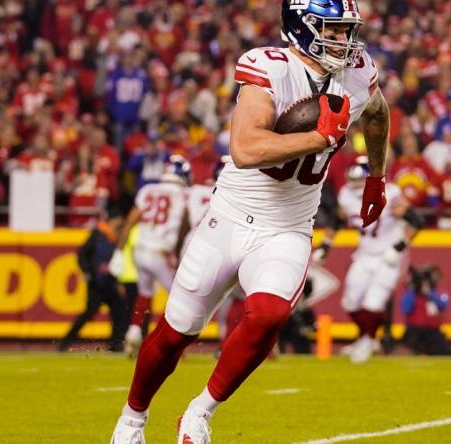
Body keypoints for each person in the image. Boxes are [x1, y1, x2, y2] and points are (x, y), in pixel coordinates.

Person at [110, 1, 390, 442]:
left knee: (270, 313)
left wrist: (377, 175)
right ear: (303, 27)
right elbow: (245, 147)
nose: (345, 41)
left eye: (347, 30)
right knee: (175, 332)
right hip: (231, 217)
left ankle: (200, 412)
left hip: (289, 226)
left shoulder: (358, 70)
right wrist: (318, 138)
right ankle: (131, 420)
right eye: (333, 30)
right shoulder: (270, 67)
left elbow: (376, 114)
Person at [313, 156, 422, 363]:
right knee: (350, 301)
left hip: (387, 255)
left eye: (360, 179)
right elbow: (338, 220)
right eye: (352, 180)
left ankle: (368, 341)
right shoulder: (346, 195)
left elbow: (417, 222)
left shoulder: (390, 193)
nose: (355, 185)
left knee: (373, 303)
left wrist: (399, 247)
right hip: (364, 253)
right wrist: (325, 247)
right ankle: (367, 339)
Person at [110, 155, 191, 356]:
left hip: (140, 250)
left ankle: (134, 332)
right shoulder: (183, 194)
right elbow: (184, 226)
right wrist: (180, 250)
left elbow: (131, 220)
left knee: (144, 293)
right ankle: (168, 341)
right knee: (181, 298)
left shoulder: (148, 190)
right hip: (161, 252)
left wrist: (118, 251)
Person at [58, 208, 127, 352]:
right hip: (96, 283)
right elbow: (82, 254)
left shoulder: (118, 236)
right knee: (89, 312)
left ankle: (115, 345)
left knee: (118, 313)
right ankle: (65, 342)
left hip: (111, 282)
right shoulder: (98, 234)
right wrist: (88, 272)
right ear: (112, 221)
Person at [399, 265, 451, 356]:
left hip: (433, 332)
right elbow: (405, 308)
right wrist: (413, 289)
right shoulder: (412, 292)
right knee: (406, 353)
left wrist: (429, 293)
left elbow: (443, 305)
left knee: (447, 354)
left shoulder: (439, 292)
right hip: (414, 331)